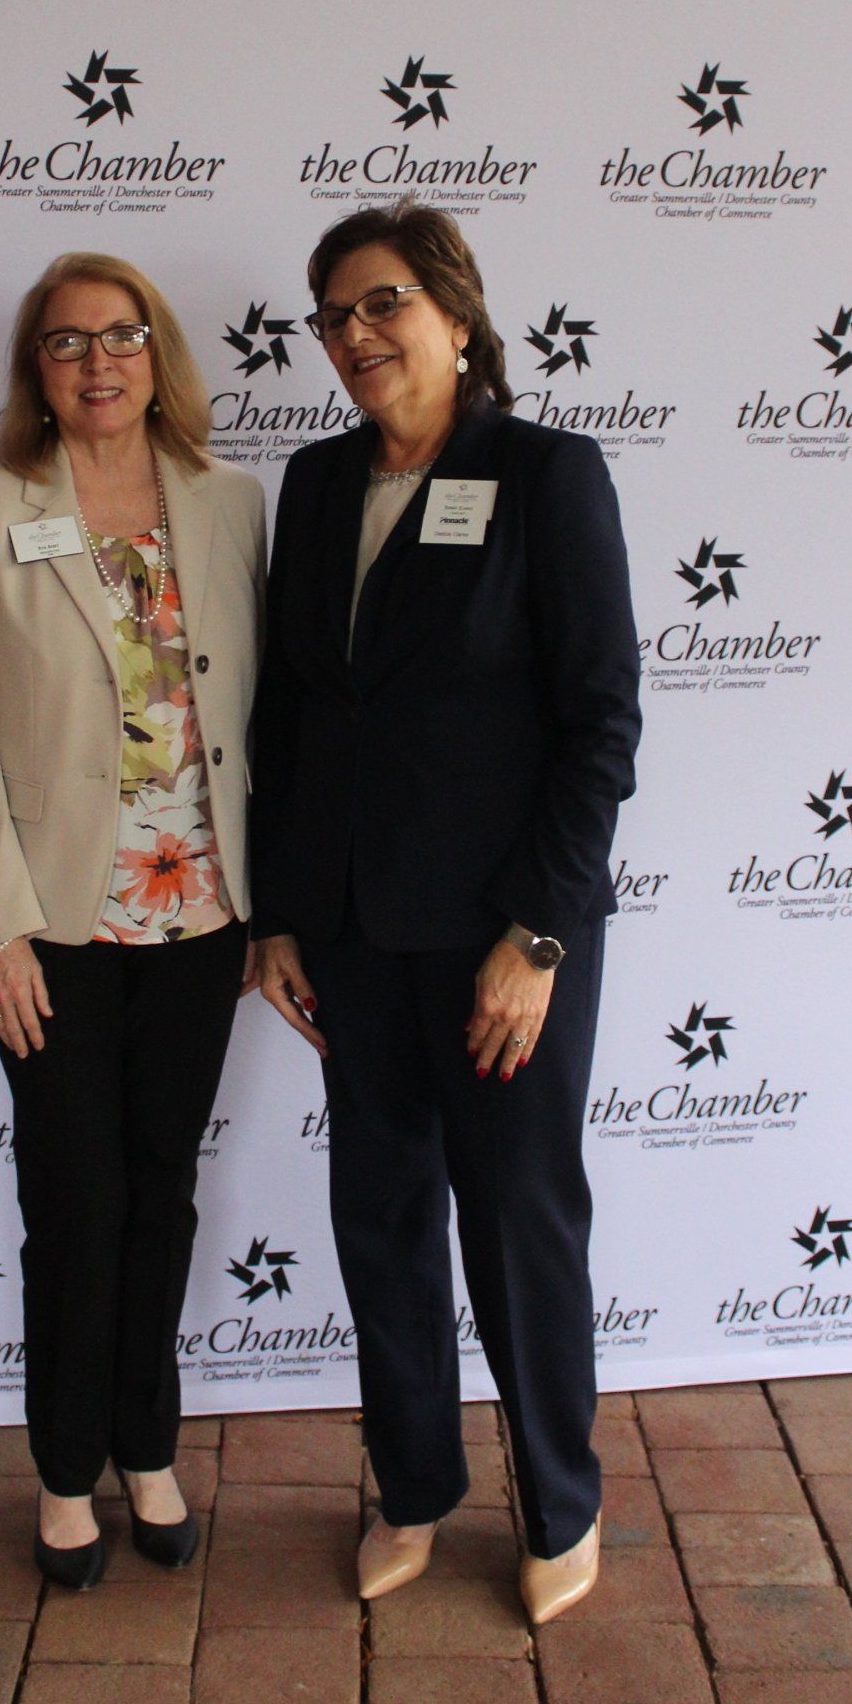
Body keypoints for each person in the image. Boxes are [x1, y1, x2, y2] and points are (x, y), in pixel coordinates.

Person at [252, 203, 641, 1628]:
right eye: (333, 316)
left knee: (520, 1225)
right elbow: (291, 718)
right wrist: (278, 919)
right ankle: (412, 1488)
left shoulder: (545, 475)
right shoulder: (314, 484)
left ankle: (559, 1506)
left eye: (384, 304)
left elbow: (600, 727)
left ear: (458, 320)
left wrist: (537, 937)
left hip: (505, 942)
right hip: (355, 938)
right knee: (383, 1221)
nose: (355, 335)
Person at [0, 253, 265, 1588]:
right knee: (74, 1201)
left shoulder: (230, 502)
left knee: (162, 1195)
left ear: (157, 355)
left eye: (121, 336)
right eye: (66, 344)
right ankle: (67, 1472)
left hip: (203, 917)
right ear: (37, 372)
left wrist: (276, 912)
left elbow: (259, 716)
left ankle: (148, 1450)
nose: (97, 362)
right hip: (54, 928)